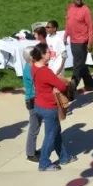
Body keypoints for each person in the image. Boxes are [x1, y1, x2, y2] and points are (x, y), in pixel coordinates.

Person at [31, 43, 75, 171]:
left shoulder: (34, 67)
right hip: (49, 107)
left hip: (39, 105)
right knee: (50, 135)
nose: (51, 53)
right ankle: (44, 163)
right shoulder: (46, 72)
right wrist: (57, 85)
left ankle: (64, 157)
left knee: (55, 132)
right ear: (43, 55)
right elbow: (62, 87)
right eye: (48, 52)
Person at [66, 0, 93, 92]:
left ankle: (72, 87)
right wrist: (65, 35)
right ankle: (89, 85)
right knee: (82, 64)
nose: (79, 1)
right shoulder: (70, 8)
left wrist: (90, 42)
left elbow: (91, 27)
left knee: (77, 65)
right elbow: (68, 22)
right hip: (73, 41)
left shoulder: (86, 10)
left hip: (82, 41)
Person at [22, 46, 40, 162]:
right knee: (34, 127)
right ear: (31, 57)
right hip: (33, 100)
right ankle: (30, 153)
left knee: (36, 126)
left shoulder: (30, 66)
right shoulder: (29, 69)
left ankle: (32, 150)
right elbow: (36, 85)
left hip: (34, 99)